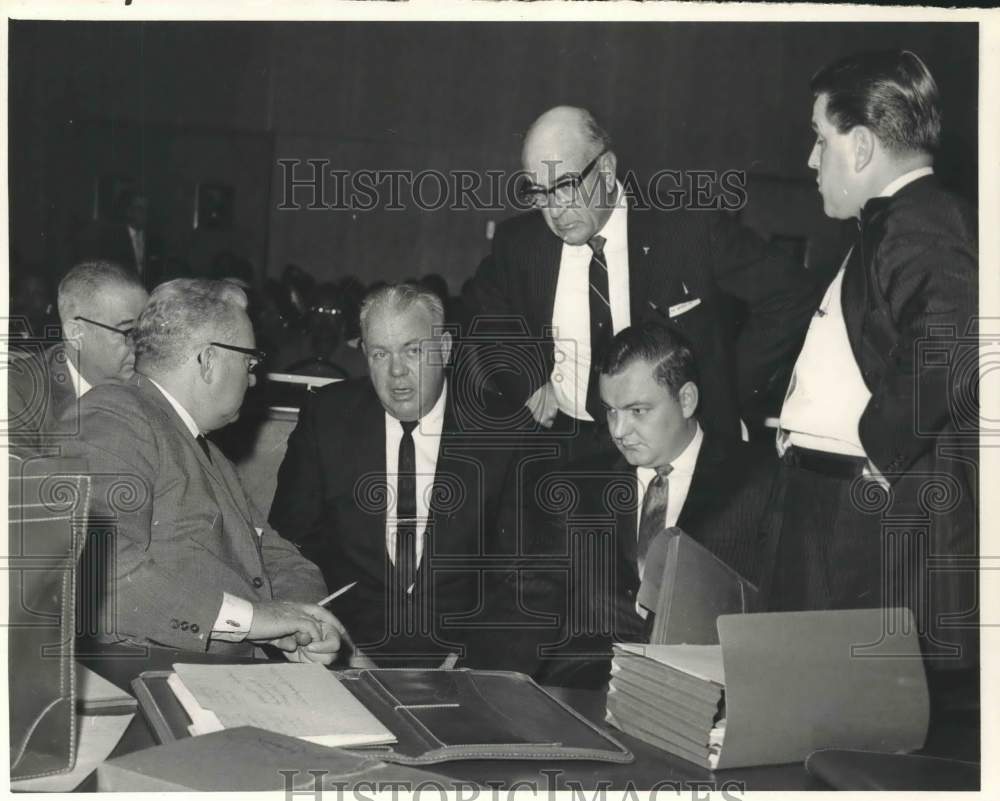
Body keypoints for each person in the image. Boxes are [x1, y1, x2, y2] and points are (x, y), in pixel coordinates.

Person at [763, 51, 977, 681]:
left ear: (859, 147)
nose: (810, 159)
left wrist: (880, 453)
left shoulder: (923, 218)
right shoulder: (897, 225)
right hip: (831, 506)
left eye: (818, 138)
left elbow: (952, 330)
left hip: (858, 514)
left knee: (837, 712)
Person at [463, 105, 818, 462]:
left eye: (566, 186)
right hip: (569, 449)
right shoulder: (521, 243)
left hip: (674, 450)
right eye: (539, 192)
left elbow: (792, 294)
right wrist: (526, 377)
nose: (554, 210)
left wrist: (720, 391)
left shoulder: (688, 229)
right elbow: (483, 307)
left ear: (605, 168)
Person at [66, 279, 346, 662]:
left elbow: (279, 558)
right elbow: (98, 569)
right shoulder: (115, 415)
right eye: (249, 362)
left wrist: (305, 623)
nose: (252, 378)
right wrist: (252, 619)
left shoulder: (210, 454)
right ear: (209, 359)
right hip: (148, 676)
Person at [270, 283, 520, 668]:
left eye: (413, 350)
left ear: (446, 348)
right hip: (346, 654)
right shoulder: (328, 417)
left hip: (464, 663)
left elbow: (524, 573)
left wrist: (471, 662)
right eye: (380, 354)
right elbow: (288, 544)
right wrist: (335, 644)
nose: (396, 371)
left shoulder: (504, 430)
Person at [523, 321, 778, 688]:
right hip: (585, 691)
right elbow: (529, 608)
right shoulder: (576, 485)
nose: (618, 430)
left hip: (703, 695)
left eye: (637, 411)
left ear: (686, 400)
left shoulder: (759, 480)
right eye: (610, 410)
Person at [7, 261, 147, 452]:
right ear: (76, 334)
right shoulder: (17, 393)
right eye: (128, 331)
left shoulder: (152, 379)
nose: (141, 345)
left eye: (145, 331)